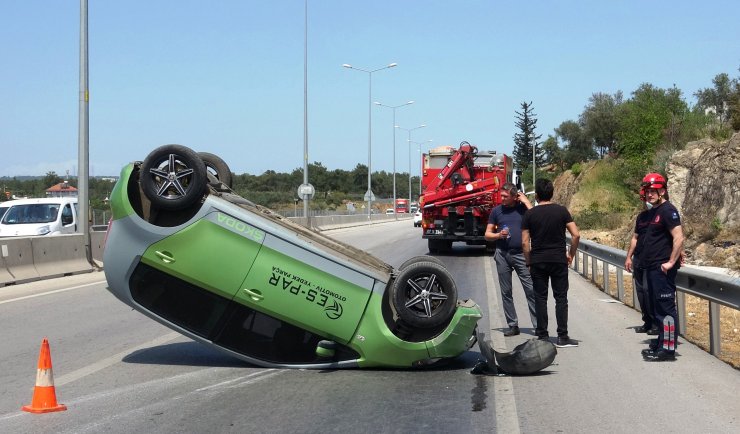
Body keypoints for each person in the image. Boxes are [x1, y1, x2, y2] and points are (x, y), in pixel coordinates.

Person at [522, 178, 580, 348]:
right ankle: (562, 337)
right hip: (558, 260)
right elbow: (575, 235)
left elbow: (525, 242)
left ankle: (542, 336)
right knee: (561, 298)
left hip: (538, 260)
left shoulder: (530, 214)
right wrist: (571, 255)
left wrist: (528, 262)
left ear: (537, 195)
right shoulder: (562, 211)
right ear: (552, 193)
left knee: (540, 298)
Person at [638, 173, 684, 362]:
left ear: (662, 191)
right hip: (652, 267)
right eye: (647, 191)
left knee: (665, 309)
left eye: (653, 191)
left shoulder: (667, 210)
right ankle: (661, 342)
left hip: (662, 268)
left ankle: (668, 349)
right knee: (657, 308)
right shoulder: (654, 212)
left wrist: (671, 261)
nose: (649, 195)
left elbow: (679, 237)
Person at [484, 183, 537, 337]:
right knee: (506, 292)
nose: (502, 198)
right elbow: (487, 234)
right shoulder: (496, 211)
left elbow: (537, 216)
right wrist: (498, 235)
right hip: (502, 254)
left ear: (515, 196)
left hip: (522, 255)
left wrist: (526, 201)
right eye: (502, 196)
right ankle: (512, 325)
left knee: (531, 290)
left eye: (506, 196)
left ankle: (538, 326)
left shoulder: (523, 210)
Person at [624, 188, 658, 335]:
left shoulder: (661, 214)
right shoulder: (641, 217)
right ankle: (647, 322)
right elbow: (635, 238)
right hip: (639, 260)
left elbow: (675, 234)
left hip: (653, 261)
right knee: (641, 293)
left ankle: (656, 324)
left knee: (648, 291)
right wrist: (628, 257)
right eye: (645, 198)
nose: (647, 200)